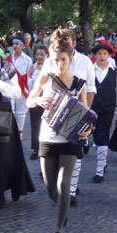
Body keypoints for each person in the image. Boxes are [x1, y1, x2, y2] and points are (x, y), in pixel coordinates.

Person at [27, 40, 92, 233]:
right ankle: (62, 208)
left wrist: (88, 130)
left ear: (70, 59)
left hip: (70, 140)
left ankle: (59, 230)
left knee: (64, 185)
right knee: (50, 188)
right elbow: (28, 100)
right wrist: (37, 101)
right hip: (47, 138)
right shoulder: (45, 79)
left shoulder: (80, 83)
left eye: (63, 60)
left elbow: (86, 113)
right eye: (56, 60)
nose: (59, 64)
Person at [41, 28, 96, 205]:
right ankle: (63, 193)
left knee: (73, 159)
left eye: (68, 40)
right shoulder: (52, 60)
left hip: (75, 116)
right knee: (54, 174)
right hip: (53, 120)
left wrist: (84, 118)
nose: (65, 43)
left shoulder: (85, 61)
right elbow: (42, 86)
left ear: (74, 42)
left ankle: (70, 190)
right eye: (62, 41)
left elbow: (90, 90)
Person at [0, 31, 33, 207]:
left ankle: (0, 192)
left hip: (2, 113)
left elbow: (17, 92)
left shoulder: (6, 66)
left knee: (2, 155)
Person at [90, 43, 117, 183]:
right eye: (99, 54)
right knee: (95, 136)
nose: (102, 56)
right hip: (92, 110)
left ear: (109, 55)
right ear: (95, 56)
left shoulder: (115, 72)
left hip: (107, 110)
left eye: (105, 54)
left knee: (103, 137)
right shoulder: (90, 71)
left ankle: (99, 171)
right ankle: (103, 162)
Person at [7, 37, 33, 139]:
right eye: (14, 44)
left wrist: (30, 91)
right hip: (11, 88)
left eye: (17, 44)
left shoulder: (28, 60)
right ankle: (12, 131)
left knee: (21, 112)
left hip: (22, 88)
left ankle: (20, 133)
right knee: (11, 110)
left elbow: (29, 76)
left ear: (22, 45)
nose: (15, 46)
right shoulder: (8, 59)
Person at [27, 46, 48, 160]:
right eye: (38, 54)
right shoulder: (32, 68)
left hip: (46, 98)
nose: (40, 57)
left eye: (42, 54)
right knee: (35, 124)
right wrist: (36, 73)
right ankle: (36, 147)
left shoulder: (49, 68)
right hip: (35, 97)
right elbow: (30, 84)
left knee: (44, 124)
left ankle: (44, 147)